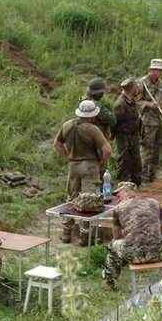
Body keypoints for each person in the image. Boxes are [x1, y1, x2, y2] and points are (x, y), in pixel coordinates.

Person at [54, 100, 112, 244]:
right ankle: (85, 236)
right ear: (92, 115)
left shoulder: (67, 125)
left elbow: (57, 144)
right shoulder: (92, 129)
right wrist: (101, 162)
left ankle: (66, 233)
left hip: (73, 166)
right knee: (89, 200)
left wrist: (67, 156)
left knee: (71, 198)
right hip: (90, 166)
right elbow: (107, 150)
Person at [103, 182, 162, 292]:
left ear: (127, 192)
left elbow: (117, 237)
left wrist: (131, 232)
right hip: (158, 253)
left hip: (132, 255)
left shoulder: (118, 209)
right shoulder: (154, 203)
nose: (117, 198)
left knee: (113, 245)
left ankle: (109, 282)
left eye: (118, 195)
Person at [137, 58, 162, 183]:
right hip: (146, 121)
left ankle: (152, 175)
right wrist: (149, 104)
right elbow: (135, 101)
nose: (158, 72)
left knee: (157, 149)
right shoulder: (141, 83)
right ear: (150, 70)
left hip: (159, 120)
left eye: (160, 70)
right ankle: (143, 177)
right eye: (155, 70)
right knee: (146, 149)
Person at [113, 78, 142, 186]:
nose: (137, 89)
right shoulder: (120, 104)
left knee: (136, 163)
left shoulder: (132, 101)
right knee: (124, 163)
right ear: (132, 89)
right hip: (124, 137)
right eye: (136, 87)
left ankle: (136, 185)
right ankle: (123, 187)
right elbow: (115, 123)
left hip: (133, 136)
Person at [83, 77, 116, 141]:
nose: (103, 94)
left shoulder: (83, 101)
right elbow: (112, 120)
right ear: (97, 93)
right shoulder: (96, 106)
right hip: (98, 139)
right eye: (102, 92)